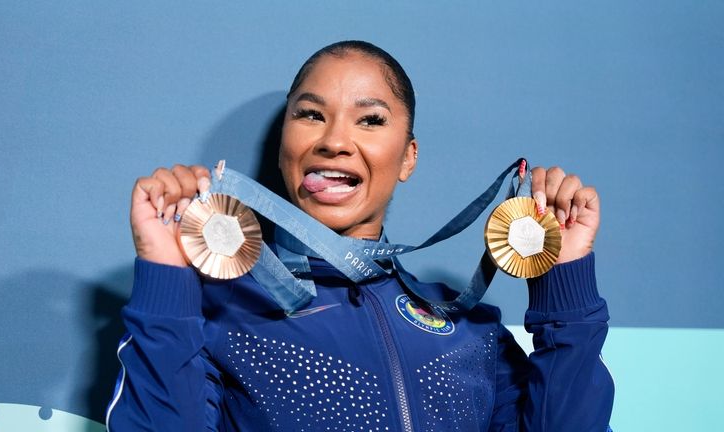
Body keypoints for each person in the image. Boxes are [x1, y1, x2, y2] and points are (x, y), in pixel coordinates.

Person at [106, 41, 614, 431]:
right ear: (285, 144)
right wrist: (167, 277)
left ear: (408, 157)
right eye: (310, 114)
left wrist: (563, 283)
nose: (333, 141)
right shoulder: (219, 314)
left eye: (370, 119)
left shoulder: (470, 332)